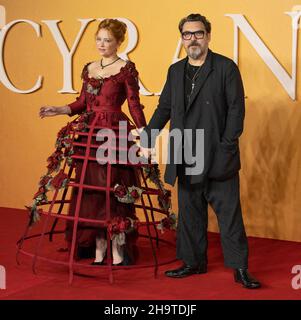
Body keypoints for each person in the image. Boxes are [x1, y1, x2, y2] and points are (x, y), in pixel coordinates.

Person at [140, 13, 261, 288]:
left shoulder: (226, 67)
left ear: (208, 35)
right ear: (182, 38)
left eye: (198, 33)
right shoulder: (175, 70)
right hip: (186, 152)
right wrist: (148, 137)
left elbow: (236, 110)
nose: (192, 38)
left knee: (229, 215)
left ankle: (240, 269)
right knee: (190, 213)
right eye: (187, 34)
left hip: (218, 153)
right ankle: (193, 262)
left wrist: (227, 145)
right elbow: (165, 108)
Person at [39, 19, 146, 266]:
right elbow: (82, 103)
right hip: (90, 135)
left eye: (108, 40)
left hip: (114, 135)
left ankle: (117, 249)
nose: (102, 44)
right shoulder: (90, 68)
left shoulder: (125, 69)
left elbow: (133, 104)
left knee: (113, 188)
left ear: (119, 42)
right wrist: (59, 108)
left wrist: (144, 131)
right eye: (99, 39)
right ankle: (97, 248)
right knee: (91, 192)